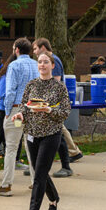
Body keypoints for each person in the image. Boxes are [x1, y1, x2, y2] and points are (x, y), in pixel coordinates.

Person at [12, 53, 71, 210]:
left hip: (51, 134)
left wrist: (49, 111)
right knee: (40, 171)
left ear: (52, 65)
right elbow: (24, 105)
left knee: (38, 175)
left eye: (46, 62)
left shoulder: (59, 87)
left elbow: (65, 112)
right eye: (40, 62)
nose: (42, 65)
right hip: (31, 134)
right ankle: (53, 198)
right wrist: (21, 114)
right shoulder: (31, 85)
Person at [0, 37, 38, 197]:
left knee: (11, 147)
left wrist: (7, 111)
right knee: (31, 145)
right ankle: (36, 182)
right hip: (32, 110)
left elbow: (11, 91)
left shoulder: (14, 65)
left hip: (17, 110)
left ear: (17, 50)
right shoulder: (36, 64)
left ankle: (6, 184)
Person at [32, 38, 82, 176]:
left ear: (43, 47)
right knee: (56, 135)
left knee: (58, 135)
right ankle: (39, 167)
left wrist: (46, 104)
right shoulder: (49, 60)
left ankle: (66, 165)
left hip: (53, 106)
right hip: (48, 105)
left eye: (35, 48)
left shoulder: (54, 61)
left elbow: (56, 83)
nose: (34, 52)